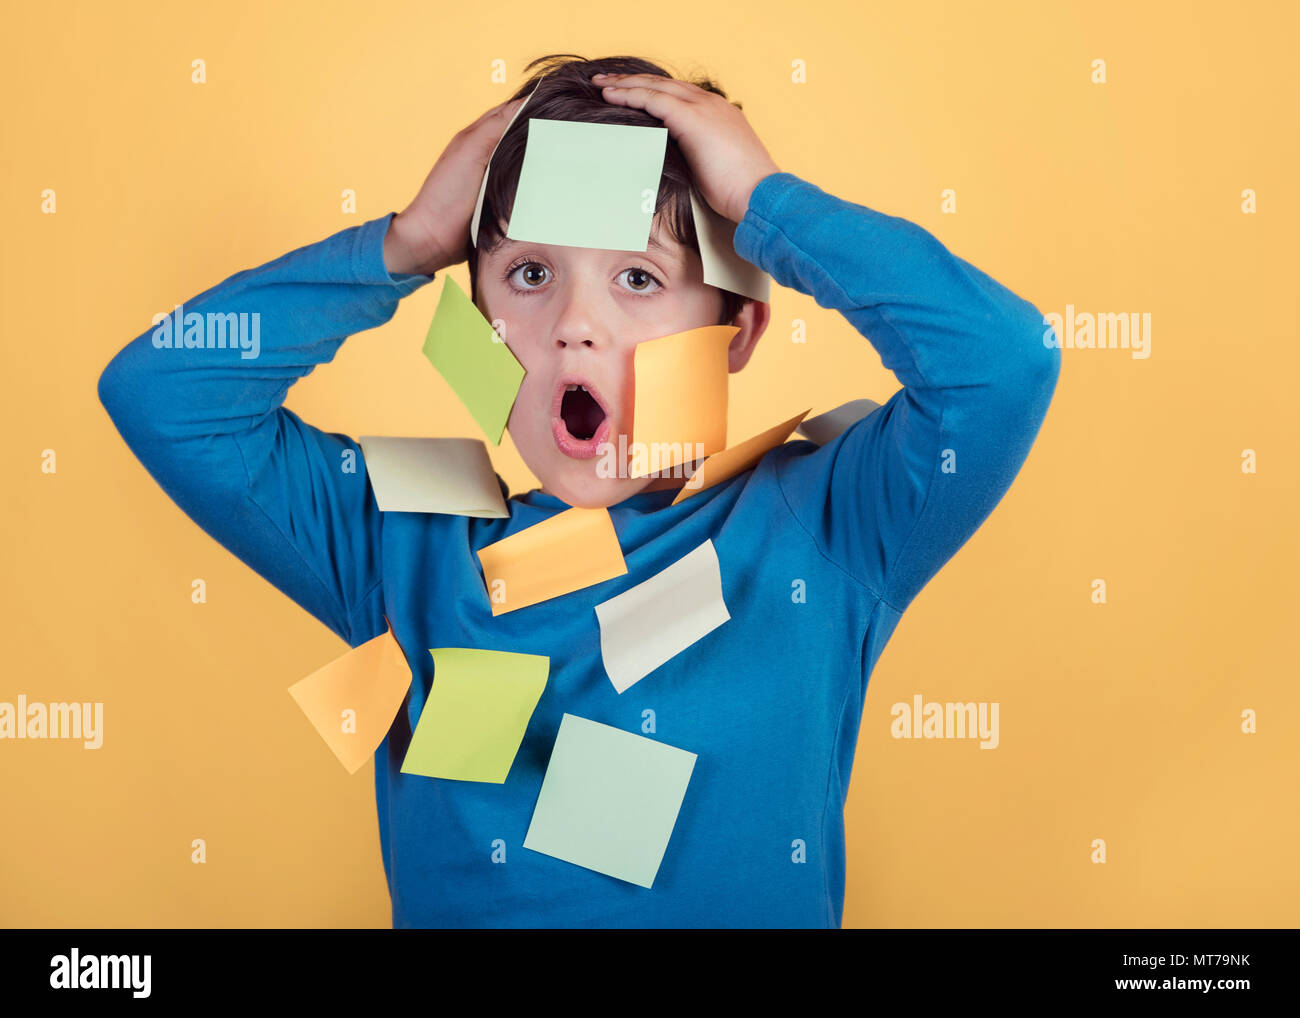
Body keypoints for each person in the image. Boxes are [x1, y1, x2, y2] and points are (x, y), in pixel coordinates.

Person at [98, 53, 1061, 928]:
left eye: (638, 279)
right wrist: (404, 244)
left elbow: (1002, 363)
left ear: (736, 337)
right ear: (477, 326)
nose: (574, 326)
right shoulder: (401, 548)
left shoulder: (823, 530)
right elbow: (163, 394)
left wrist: (767, 202)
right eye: (528, 274)